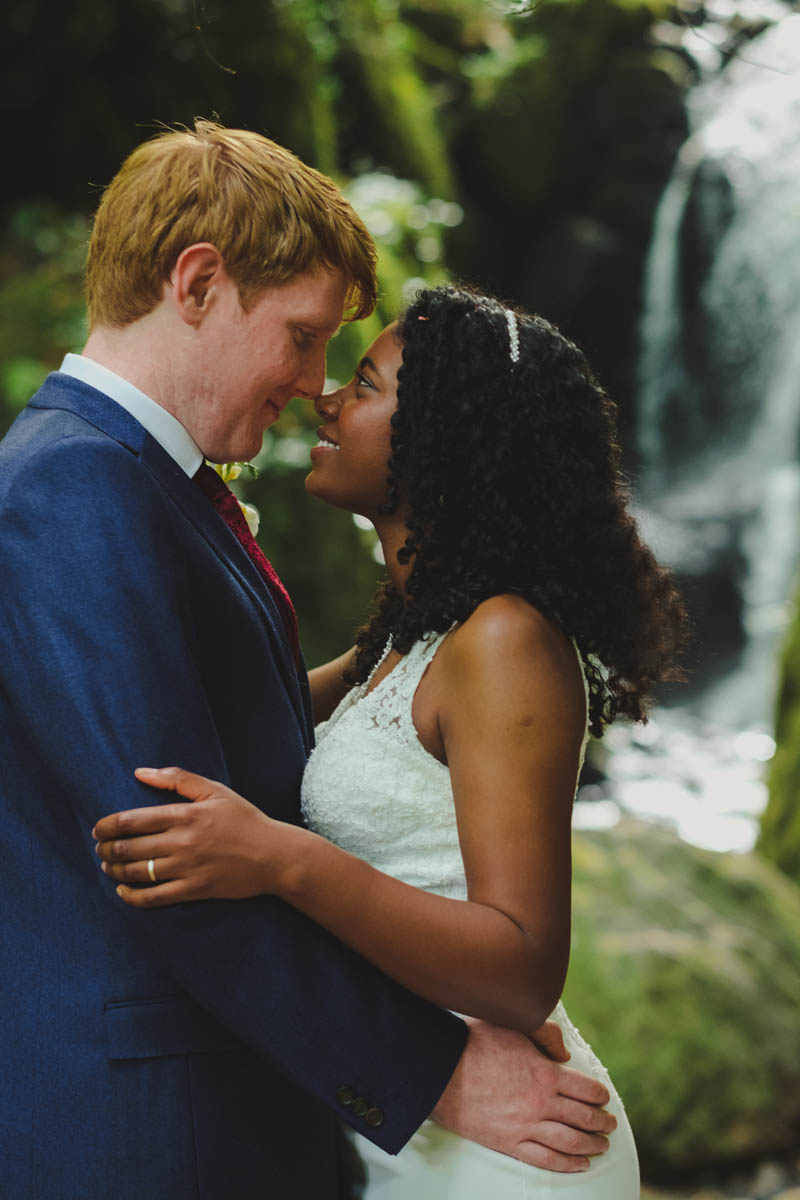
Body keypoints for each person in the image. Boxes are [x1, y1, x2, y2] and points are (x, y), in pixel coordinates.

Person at [0, 126, 615, 1199]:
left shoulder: (144, 483)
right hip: (152, 1131)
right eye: (301, 336)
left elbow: (255, 734)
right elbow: (167, 855)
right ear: (197, 283)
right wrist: (432, 1077)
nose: (311, 384)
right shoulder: (75, 491)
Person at [95, 286, 688, 1197]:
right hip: (406, 1121)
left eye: (364, 384)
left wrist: (284, 861)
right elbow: (250, 714)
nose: (326, 396)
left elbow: (523, 966)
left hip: (509, 1156)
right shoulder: (408, 639)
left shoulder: (504, 643)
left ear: (443, 443)